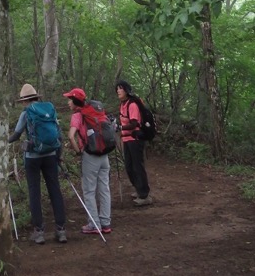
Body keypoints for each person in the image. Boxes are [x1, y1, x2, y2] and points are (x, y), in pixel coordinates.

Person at [8, 83, 67, 244]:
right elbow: (59, 135)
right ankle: (61, 230)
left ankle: (39, 232)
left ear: (24, 101)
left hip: (32, 157)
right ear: (36, 97)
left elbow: (16, 135)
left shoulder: (26, 113)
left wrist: (3, 142)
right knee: (55, 190)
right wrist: (59, 156)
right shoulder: (49, 109)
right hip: (51, 155)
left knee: (34, 192)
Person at [63, 87, 112, 235]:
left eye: (69, 99)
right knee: (104, 188)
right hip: (104, 154)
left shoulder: (78, 115)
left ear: (75, 101)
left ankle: (94, 224)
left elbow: (71, 136)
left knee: (89, 191)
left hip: (90, 155)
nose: (68, 103)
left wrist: (78, 151)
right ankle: (105, 223)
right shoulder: (95, 111)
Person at [116, 79, 152, 206]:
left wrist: (120, 128)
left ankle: (144, 195)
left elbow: (134, 123)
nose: (118, 91)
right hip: (126, 139)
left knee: (137, 166)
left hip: (135, 139)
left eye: (121, 88)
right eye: (117, 89)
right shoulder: (123, 104)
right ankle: (138, 188)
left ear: (126, 90)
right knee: (129, 166)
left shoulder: (132, 104)